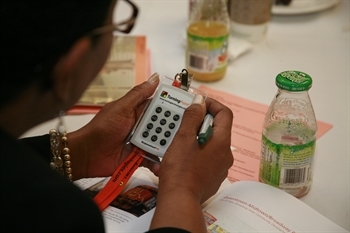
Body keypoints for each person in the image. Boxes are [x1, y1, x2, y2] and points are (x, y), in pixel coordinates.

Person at [0, 0, 234, 232]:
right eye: (114, 26)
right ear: (68, 69)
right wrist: (184, 190)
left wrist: (81, 152)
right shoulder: (59, 216)